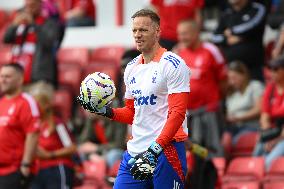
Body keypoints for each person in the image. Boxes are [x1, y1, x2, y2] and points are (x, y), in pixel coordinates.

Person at [77, 9, 190, 189]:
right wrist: (103, 111)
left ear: (157, 31)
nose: (138, 35)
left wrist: (155, 149)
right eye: (135, 30)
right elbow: (132, 113)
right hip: (136, 151)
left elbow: (177, 113)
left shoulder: (173, 64)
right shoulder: (130, 68)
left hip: (165, 150)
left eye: (143, 30)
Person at [176, 19, 227, 157]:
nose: (181, 38)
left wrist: (216, 103)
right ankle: (195, 177)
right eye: (179, 34)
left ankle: (215, 174)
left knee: (212, 150)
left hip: (208, 111)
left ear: (196, 33)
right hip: (187, 113)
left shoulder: (211, 51)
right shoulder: (179, 53)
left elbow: (223, 80)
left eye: (185, 34)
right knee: (192, 150)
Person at [28, 82, 77, 189]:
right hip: (37, 169)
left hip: (57, 168)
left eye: (36, 104)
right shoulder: (33, 125)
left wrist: (49, 155)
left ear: (46, 105)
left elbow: (72, 148)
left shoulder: (57, 123)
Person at [3, 0, 62, 88]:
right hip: (18, 78)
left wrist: (33, 24)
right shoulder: (20, 24)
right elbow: (6, 39)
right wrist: (14, 25)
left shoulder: (50, 23)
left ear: (40, 5)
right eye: (27, 6)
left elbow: (49, 42)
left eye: (33, 5)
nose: (29, 9)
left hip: (40, 79)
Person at [0, 63, 40, 189]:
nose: (3, 80)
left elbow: (32, 134)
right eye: (1, 76)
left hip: (14, 169)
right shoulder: (2, 102)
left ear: (20, 79)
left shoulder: (26, 102)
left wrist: (26, 164)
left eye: (8, 77)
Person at [211, 0, 266, 81]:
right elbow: (215, 36)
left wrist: (231, 30)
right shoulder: (227, 12)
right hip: (230, 69)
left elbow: (252, 24)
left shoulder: (257, 8)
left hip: (252, 69)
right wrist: (226, 40)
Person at [253, 56, 284, 170]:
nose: (272, 72)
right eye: (270, 69)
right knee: (255, 160)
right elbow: (264, 116)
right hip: (273, 132)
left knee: (268, 163)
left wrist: (275, 140)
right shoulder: (270, 88)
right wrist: (268, 136)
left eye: (276, 69)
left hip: (282, 136)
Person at [225, 61, 264, 144]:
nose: (232, 82)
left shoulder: (255, 86)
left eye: (234, 78)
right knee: (223, 140)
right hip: (233, 127)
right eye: (229, 79)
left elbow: (259, 109)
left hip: (251, 126)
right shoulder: (231, 93)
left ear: (243, 75)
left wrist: (239, 118)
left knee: (235, 141)